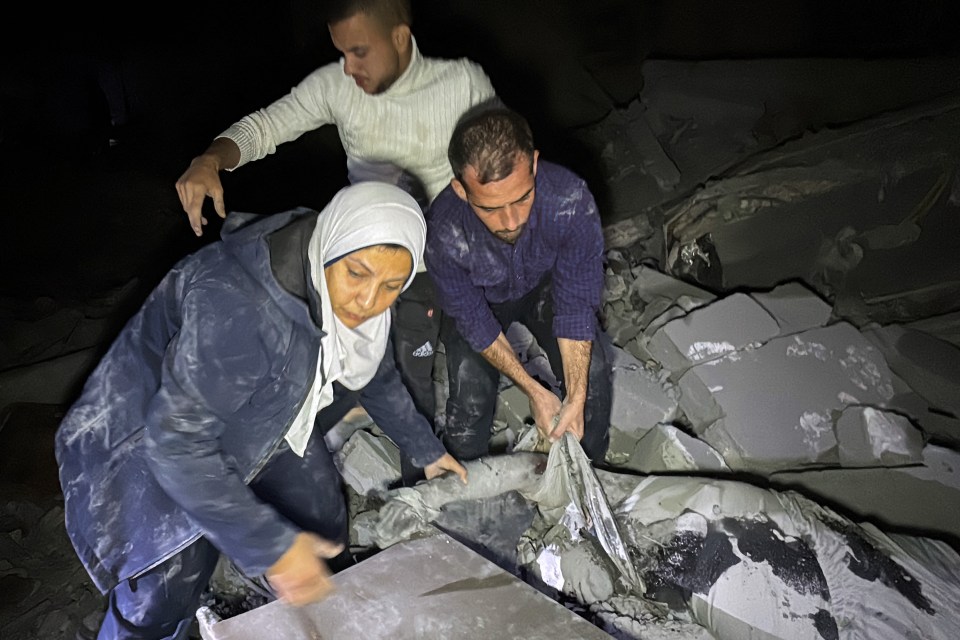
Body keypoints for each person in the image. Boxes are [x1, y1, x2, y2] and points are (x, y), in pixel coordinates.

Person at [55, 182, 467, 640]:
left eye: (392, 286)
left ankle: (307, 623)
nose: (368, 303)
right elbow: (175, 444)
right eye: (356, 275)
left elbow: (375, 374)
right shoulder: (239, 307)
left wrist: (425, 449)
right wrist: (272, 548)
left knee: (323, 527)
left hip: (265, 414)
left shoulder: (343, 261)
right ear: (333, 247)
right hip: (151, 435)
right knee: (166, 586)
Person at [174, 0, 499, 476]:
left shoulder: (462, 83)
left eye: (359, 51)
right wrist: (211, 159)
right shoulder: (337, 86)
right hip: (386, 267)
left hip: (461, 254)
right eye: (341, 52)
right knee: (410, 379)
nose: (348, 66)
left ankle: (470, 481)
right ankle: (426, 490)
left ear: (401, 39)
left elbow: (504, 156)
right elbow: (265, 126)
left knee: (476, 377)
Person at [425, 106, 612, 463]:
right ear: (461, 190)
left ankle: (592, 471)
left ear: (535, 165)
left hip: (545, 285)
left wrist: (575, 394)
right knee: (471, 396)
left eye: (523, 198)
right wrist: (534, 391)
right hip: (482, 301)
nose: (511, 221)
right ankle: (468, 492)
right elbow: (475, 322)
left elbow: (575, 305)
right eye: (491, 208)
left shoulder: (570, 201)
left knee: (595, 376)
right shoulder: (443, 232)